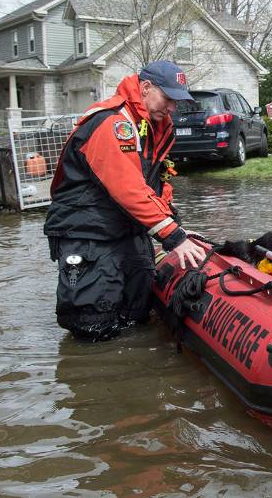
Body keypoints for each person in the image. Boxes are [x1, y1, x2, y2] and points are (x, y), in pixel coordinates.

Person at [44, 60, 207, 341]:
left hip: (126, 229)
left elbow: (154, 186)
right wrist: (173, 237)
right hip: (88, 234)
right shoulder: (112, 123)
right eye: (168, 99)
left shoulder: (153, 126)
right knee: (92, 324)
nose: (171, 108)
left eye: (175, 102)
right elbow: (128, 188)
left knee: (137, 312)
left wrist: (178, 227)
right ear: (145, 88)